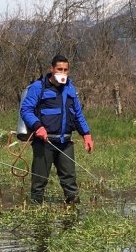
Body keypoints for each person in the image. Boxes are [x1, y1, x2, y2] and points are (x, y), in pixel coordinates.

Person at [20, 54, 93, 204]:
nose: (63, 73)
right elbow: (26, 110)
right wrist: (37, 126)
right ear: (52, 69)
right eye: (59, 69)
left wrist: (86, 134)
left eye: (66, 70)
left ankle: (74, 213)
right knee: (39, 182)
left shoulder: (70, 88)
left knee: (70, 182)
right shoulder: (38, 87)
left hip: (65, 143)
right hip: (44, 143)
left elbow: (78, 114)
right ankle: (35, 214)